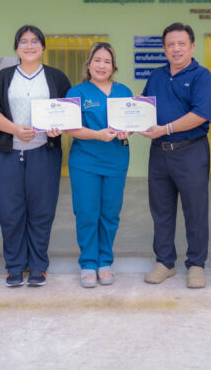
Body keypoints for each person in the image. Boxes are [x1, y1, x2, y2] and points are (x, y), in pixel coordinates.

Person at [0, 25, 70, 288]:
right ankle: (15, 266)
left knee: (42, 212)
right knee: (10, 213)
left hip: (45, 153)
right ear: (16, 47)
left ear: (43, 47)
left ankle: (39, 266)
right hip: (8, 155)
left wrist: (59, 127)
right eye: (23, 41)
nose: (29, 46)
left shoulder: (56, 77)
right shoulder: (3, 77)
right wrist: (14, 129)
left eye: (35, 41)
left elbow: (68, 112)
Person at [140, 22, 211, 288]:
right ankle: (165, 262)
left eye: (181, 44)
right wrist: (134, 117)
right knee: (161, 210)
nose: (176, 49)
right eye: (170, 44)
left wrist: (166, 128)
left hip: (190, 152)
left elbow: (201, 114)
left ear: (192, 47)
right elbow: (146, 106)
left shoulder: (201, 76)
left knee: (195, 210)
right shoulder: (156, 75)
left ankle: (196, 265)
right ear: (164, 48)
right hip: (159, 153)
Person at [65, 42, 132, 288]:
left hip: (116, 160)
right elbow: (70, 127)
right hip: (85, 162)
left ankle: (105, 261)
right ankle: (88, 263)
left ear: (113, 66)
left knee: (110, 213)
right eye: (97, 60)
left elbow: (131, 123)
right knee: (86, 212)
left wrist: (127, 133)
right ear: (89, 64)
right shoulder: (77, 92)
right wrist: (96, 135)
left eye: (107, 61)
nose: (102, 65)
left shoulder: (124, 91)